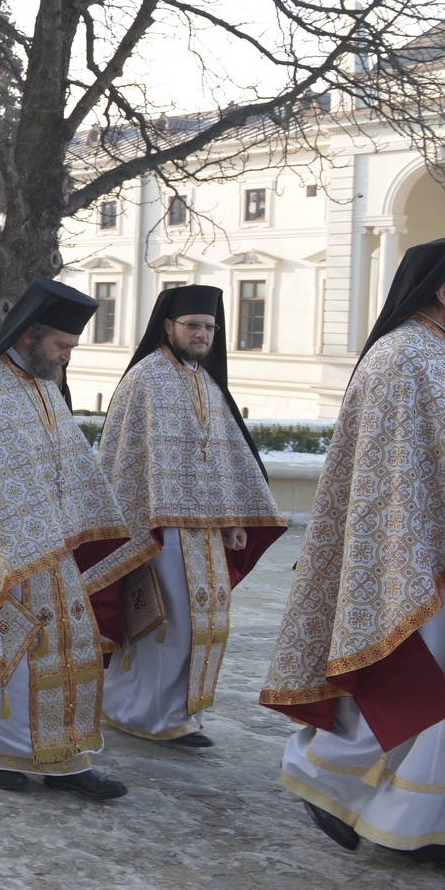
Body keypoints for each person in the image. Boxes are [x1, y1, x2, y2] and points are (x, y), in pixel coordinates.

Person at [262, 238, 445, 865]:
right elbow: (392, 472)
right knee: (412, 683)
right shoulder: (402, 357)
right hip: (414, 550)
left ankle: (422, 815)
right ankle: (325, 773)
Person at [0, 279, 132, 799]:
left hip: (52, 547)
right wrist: (23, 550)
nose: (66, 357)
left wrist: (74, 527)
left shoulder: (46, 387)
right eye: (60, 346)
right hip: (4, 555)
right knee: (16, 649)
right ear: (28, 336)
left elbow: (69, 465)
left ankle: (66, 758)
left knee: (71, 647)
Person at [99, 285, 286, 747]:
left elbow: (226, 459)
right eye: (193, 326)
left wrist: (235, 518)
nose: (202, 334)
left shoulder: (206, 381)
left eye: (209, 327)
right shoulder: (146, 378)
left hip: (206, 532)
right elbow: (126, 462)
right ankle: (141, 712)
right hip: (159, 528)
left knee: (207, 625)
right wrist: (134, 525)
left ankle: (178, 712)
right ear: (169, 326)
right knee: (167, 622)